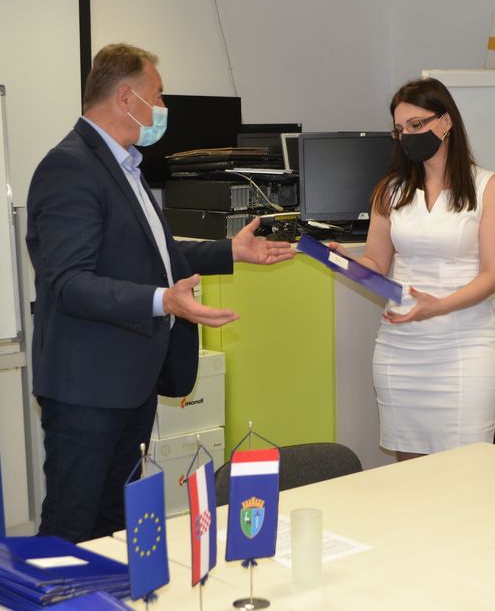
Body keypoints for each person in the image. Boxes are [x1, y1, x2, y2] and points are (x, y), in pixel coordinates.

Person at [25, 43, 295, 542]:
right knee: (71, 528)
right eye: (158, 95)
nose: (163, 108)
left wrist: (231, 252)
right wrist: (162, 301)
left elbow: (153, 254)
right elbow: (69, 283)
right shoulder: (70, 167)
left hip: (130, 381)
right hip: (87, 388)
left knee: (112, 526)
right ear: (126, 99)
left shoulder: (124, 166)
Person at [333, 77, 495, 461]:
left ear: (446, 122)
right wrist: (344, 261)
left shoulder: (489, 187)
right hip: (401, 349)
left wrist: (440, 305)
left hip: (466, 347)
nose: (407, 136)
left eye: (416, 124)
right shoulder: (390, 191)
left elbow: (493, 274)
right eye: (400, 130)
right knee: (410, 475)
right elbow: (376, 264)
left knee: (467, 469)